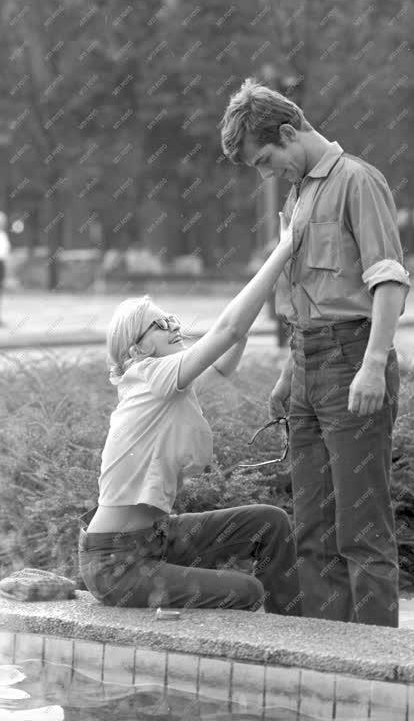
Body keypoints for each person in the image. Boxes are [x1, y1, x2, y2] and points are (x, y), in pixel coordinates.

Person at [221, 78, 410, 627]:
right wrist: (288, 374)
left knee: (362, 531)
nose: (265, 173)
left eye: (265, 159)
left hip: (354, 360)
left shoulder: (358, 181)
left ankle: (375, 670)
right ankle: (326, 659)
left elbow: (388, 281)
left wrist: (375, 362)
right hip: (307, 366)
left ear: (287, 132)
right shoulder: (298, 193)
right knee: (312, 530)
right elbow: (308, 299)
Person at [78, 218, 303, 615]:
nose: (173, 327)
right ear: (137, 349)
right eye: (160, 324)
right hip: (118, 564)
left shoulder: (165, 383)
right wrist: (283, 250)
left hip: (155, 537)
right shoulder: (149, 376)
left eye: (173, 320)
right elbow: (227, 331)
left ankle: (305, 640)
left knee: (271, 522)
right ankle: (276, 650)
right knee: (247, 592)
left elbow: (223, 361)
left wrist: (254, 307)